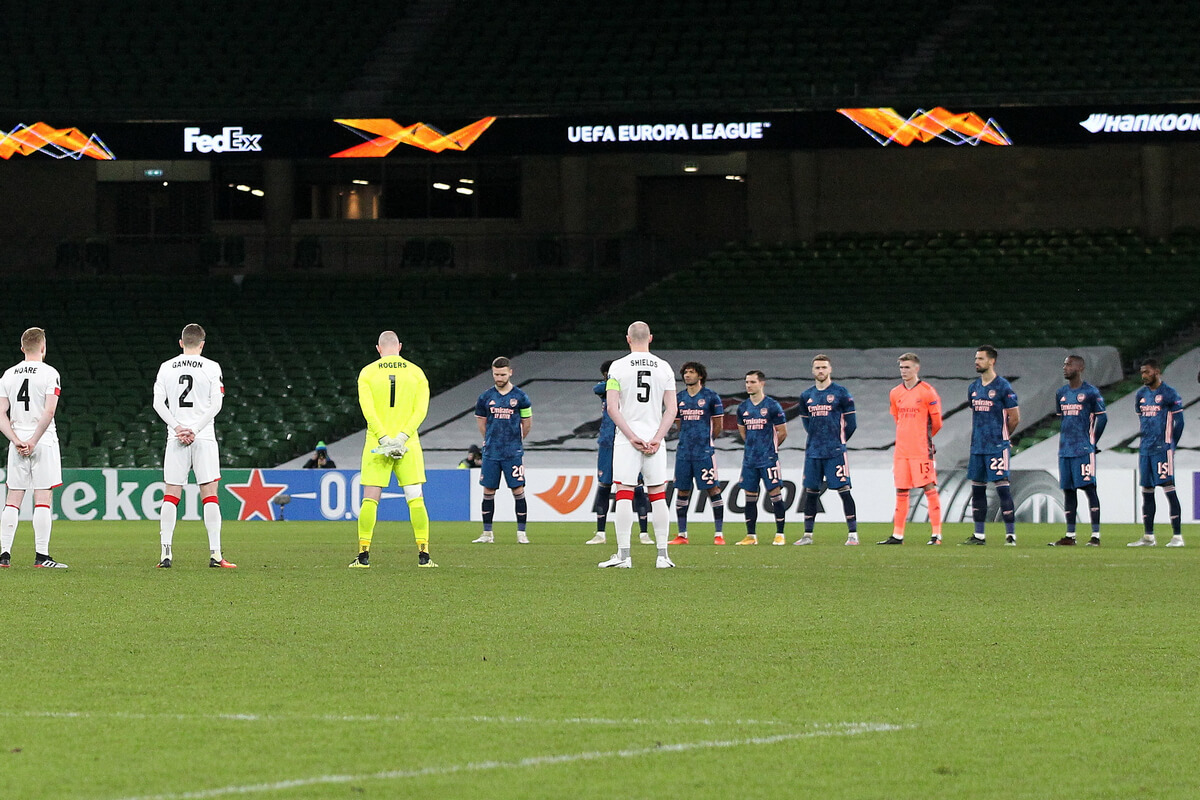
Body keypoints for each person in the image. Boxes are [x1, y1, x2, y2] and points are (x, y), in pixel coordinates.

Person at [151, 323, 234, 569]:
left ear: (180, 343)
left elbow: (158, 403)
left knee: (171, 494)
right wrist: (195, 429)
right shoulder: (211, 367)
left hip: (175, 438)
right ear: (202, 344)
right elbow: (216, 404)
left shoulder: (166, 367)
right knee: (209, 495)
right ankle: (216, 555)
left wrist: (178, 428)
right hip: (204, 436)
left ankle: (166, 554)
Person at [598, 321, 677, 569]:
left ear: (628, 339)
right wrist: (657, 437)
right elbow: (672, 408)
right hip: (655, 439)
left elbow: (612, 407)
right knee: (657, 496)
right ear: (650, 338)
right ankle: (663, 556)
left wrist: (631, 436)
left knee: (623, 494)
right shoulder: (664, 368)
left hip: (627, 440)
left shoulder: (617, 367)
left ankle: (624, 555)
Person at [351, 330, 434, 568]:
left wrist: (385, 438)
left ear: (378, 348)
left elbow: (368, 410)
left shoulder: (367, 372)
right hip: (408, 444)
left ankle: (363, 555)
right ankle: (424, 555)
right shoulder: (416, 372)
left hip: (377, 443)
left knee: (370, 497)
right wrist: (402, 437)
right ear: (400, 346)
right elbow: (421, 410)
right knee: (415, 498)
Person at [0, 327, 66, 568]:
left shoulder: (8, 375)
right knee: (42, 498)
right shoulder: (50, 373)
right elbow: (49, 411)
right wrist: (34, 441)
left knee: (12, 500)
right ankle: (42, 556)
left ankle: (4, 554)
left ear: (22, 348)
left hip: (17, 439)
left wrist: (16, 440)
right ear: (43, 347)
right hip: (43, 441)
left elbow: (0, 414)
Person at [586, 360, 654, 546]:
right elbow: (597, 388)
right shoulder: (606, 389)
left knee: (637, 486)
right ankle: (600, 532)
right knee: (605, 485)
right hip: (608, 442)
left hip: (628, 441)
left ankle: (644, 533)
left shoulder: (631, 390)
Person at [879, 352, 944, 545]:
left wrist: (923, 438)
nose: (903, 371)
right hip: (901, 452)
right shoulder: (895, 393)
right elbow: (897, 418)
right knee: (901, 491)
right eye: (901, 368)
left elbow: (937, 422)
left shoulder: (927, 391)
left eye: (907, 367)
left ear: (917, 368)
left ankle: (936, 535)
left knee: (929, 488)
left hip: (921, 450)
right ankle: (898, 535)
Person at [962, 345, 1020, 545]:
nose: (976, 362)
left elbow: (1015, 418)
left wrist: (1003, 438)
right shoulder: (973, 388)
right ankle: (979, 535)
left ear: (991, 361)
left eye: (980, 358)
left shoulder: (1003, 387)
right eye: (976, 358)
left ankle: (1010, 535)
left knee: (1002, 489)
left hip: (996, 447)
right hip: (977, 447)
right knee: (977, 490)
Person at [797, 354, 858, 546]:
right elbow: (807, 424)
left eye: (824, 367)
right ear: (812, 371)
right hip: (813, 452)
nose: (821, 371)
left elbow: (852, 425)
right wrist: (818, 440)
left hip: (835, 452)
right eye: (817, 368)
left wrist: (837, 441)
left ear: (830, 369)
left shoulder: (841, 393)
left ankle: (853, 535)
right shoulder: (806, 396)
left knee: (844, 490)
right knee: (811, 492)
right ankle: (807, 535)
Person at [472, 357, 533, 544]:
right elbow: (481, 423)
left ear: (510, 373)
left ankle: (521, 533)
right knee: (488, 490)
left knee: (518, 489)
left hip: (512, 452)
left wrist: (516, 440)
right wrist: (490, 440)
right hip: (491, 452)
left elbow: (527, 423)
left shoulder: (521, 397)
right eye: (496, 374)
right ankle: (487, 533)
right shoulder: (485, 397)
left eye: (502, 374)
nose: (499, 378)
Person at [1049, 355, 1107, 547]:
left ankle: (1095, 536)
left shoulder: (1090, 392)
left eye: (1069, 364)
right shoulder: (1061, 393)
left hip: (1083, 450)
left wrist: (1092, 442)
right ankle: (1070, 535)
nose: (1065, 367)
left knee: (1090, 489)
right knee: (1068, 491)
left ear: (1080, 367)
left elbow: (1103, 418)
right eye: (1064, 364)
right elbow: (1063, 420)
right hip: (1065, 450)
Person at [1128, 358, 1185, 547]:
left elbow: (1180, 422)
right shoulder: (1140, 395)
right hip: (1145, 450)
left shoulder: (1169, 393)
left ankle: (1177, 536)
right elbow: (1142, 421)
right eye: (1142, 372)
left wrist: (1172, 445)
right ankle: (1148, 537)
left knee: (1169, 489)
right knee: (1147, 492)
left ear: (1157, 372)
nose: (1144, 375)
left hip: (1163, 449)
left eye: (1147, 372)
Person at [670, 361, 726, 545]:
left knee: (712, 489)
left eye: (691, 372)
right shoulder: (679, 398)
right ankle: (682, 534)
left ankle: (719, 534)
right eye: (685, 372)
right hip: (684, 452)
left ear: (700, 375)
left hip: (704, 452)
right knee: (682, 490)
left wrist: (706, 441)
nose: (687, 375)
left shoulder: (711, 397)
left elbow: (718, 426)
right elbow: (678, 424)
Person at [734, 370, 789, 545]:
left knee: (775, 494)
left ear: (762, 383)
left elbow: (782, 432)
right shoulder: (743, 408)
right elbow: (743, 433)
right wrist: (753, 448)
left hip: (769, 459)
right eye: (747, 382)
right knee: (749, 496)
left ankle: (780, 534)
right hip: (750, 460)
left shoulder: (772, 406)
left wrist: (769, 448)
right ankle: (751, 536)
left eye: (752, 382)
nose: (748, 385)